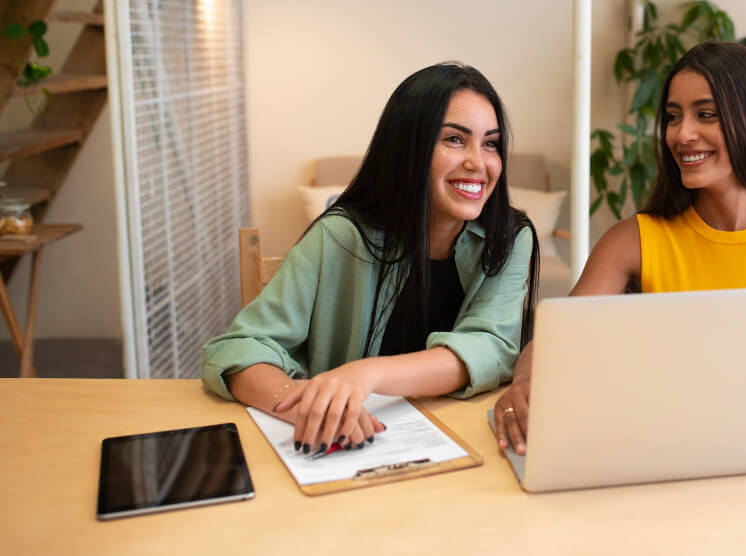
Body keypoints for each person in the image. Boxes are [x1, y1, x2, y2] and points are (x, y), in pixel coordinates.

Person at [494, 42, 746, 454]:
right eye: (673, 117)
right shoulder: (630, 241)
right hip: (672, 449)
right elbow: (555, 339)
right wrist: (526, 383)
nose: (682, 134)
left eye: (705, 114)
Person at [202, 62, 538, 456]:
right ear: (408, 147)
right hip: (357, 453)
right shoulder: (341, 236)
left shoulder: (511, 239)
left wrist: (365, 374)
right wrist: (305, 403)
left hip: (470, 448)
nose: (478, 163)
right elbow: (238, 349)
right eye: (453, 139)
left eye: (491, 143)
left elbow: (490, 347)